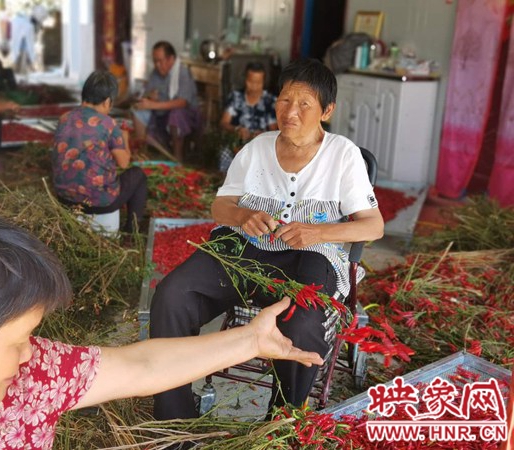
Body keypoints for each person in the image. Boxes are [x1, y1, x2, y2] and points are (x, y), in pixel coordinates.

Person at [0, 213, 322, 449]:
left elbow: (140, 366)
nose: (29, 354)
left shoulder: (34, 377)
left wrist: (249, 339)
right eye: (16, 342)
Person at [149, 58, 384, 420]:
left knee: (302, 323)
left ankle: (282, 422)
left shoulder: (343, 156)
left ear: (327, 110)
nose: (290, 112)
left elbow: (373, 225)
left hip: (309, 257)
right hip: (244, 248)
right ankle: (174, 415)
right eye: (285, 100)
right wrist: (243, 216)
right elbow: (220, 206)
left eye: (304, 103)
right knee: (172, 295)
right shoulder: (257, 148)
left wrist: (316, 232)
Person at [52, 70, 147, 234]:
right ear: (107, 102)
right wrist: (125, 138)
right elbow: (124, 162)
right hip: (100, 203)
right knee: (138, 176)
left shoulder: (64, 118)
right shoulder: (108, 124)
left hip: (64, 199)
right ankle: (132, 234)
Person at [132, 41, 201, 162]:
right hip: (162, 113)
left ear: (171, 59)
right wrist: (149, 97)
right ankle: (142, 153)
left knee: (176, 114)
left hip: (186, 115)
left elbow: (182, 102)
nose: (157, 65)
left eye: (160, 61)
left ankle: (177, 158)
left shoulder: (182, 72)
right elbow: (147, 93)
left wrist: (154, 104)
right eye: (155, 61)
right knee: (138, 112)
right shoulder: (155, 73)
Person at [218, 61, 278, 172]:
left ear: (264, 82)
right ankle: (226, 185)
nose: (254, 86)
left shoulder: (270, 101)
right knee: (226, 152)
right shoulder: (236, 97)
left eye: (258, 83)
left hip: (261, 145)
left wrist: (261, 135)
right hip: (238, 143)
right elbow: (224, 122)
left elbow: (274, 130)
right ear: (245, 79)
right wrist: (237, 129)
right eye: (251, 82)